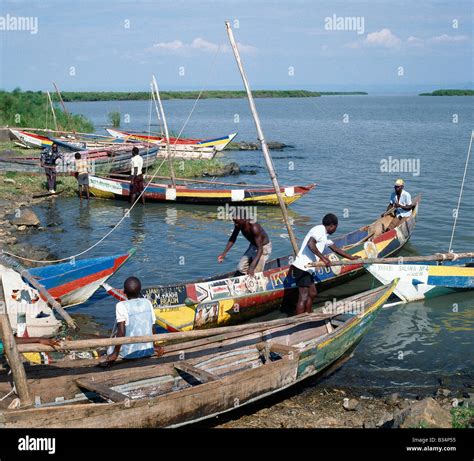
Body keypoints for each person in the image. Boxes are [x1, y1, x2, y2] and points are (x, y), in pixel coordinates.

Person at [291, 213, 360, 315]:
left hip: (309, 269)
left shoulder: (324, 236)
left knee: (312, 293)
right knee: (304, 296)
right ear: (332, 225)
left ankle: (309, 313)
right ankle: (298, 321)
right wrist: (323, 258)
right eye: (336, 227)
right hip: (302, 267)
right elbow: (311, 243)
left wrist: (352, 258)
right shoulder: (319, 229)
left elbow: (336, 249)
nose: (335, 229)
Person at [100, 277, 162, 367]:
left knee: (110, 348)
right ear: (140, 290)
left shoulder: (121, 305)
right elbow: (152, 328)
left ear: (124, 291)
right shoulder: (147, 302)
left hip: (129, 354)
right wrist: (153, 346)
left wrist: (115, 354)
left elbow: (121, 332)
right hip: (147, 351)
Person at [217, 210, 272, 276]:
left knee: (256, 272)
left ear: (244, 219)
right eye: (234, 222)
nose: (235, 224)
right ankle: (247, 277)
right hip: (253, 245)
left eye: (237, 222)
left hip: (263, 247)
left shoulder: (254, 227)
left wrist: (252, 267)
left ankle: (254, 279)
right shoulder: (238, 224)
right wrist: (224, 253)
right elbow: (233, 238)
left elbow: (260, 249)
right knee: (240, 268)